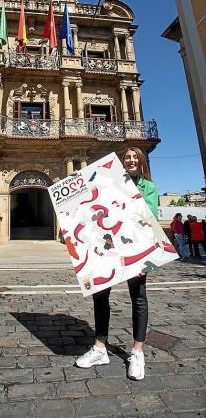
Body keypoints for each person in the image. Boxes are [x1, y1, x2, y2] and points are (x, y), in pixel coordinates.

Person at [75, 147, 158, 380]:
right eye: (127, 158)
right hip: (108, 247)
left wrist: (145, 259)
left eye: (135, 157)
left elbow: (148, 222)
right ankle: (100, 348)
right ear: (123, 163)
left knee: (138, 298)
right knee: (100, 295)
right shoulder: (111, 184)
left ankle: (137, 352)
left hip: (135, 248)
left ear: (141, 162)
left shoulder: (149, 188)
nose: (131, 160)